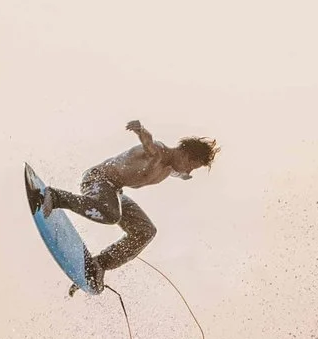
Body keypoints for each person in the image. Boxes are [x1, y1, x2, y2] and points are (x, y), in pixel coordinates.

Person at [34, 120, 218, 291]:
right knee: (111, 214)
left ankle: (100, 263)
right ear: (184, 153)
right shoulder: (159, 153)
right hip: (98, 179)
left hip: (115, 192)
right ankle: (57, 196)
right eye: (191, 165)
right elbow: (149, 144)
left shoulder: (170, 169)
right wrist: (141, 131)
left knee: (146, 231)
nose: (188, 171)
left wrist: (188, 172)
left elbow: (182, 173)